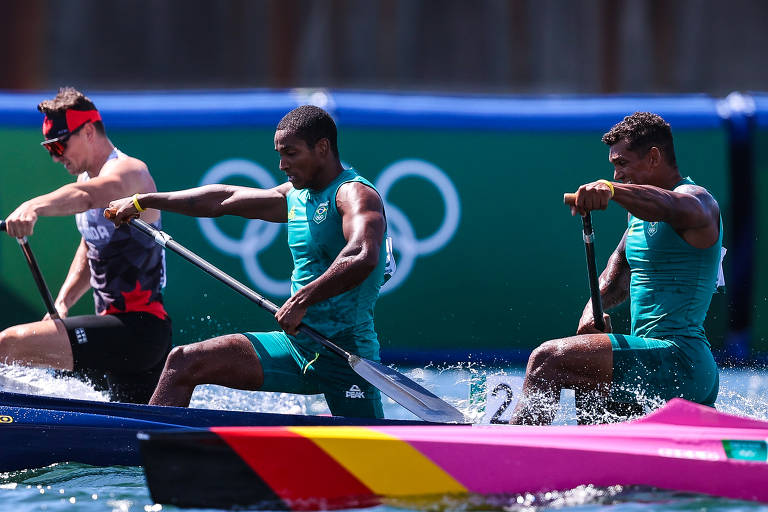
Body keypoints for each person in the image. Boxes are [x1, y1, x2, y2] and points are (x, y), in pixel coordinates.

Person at [106, 105, 392, 418]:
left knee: (376, 457)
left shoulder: (355, 194)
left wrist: (303, 300)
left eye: (291, 154)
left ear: (322, 147)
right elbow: (222, 199)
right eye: (279, 154)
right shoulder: (294, 196)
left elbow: (363, 254)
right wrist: (142, 201)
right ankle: (139, 449)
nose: (282, 165)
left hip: (345, 353)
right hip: (296, 346)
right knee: (183, 361)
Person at [510, 112, 723, 425]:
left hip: (681, 360)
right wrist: (589, 314)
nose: (617, 174)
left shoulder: (697, 201)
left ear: (653, 157)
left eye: (622, 164)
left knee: (547, 360)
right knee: (588, 383)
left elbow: (668, 206)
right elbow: (614, 279)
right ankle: (603, 472)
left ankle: (515, 462)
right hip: (652, 363)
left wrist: (610, 190)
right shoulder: (637, 217)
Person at [0, 87, 172, 403]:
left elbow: (87, 197)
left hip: (138, 329)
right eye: (49, 148)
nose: (55, 156)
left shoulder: (129, 171)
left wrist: (33, 206)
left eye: (60, 144)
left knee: (6, 345)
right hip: (119, 334)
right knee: (128, 443)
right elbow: (90, 246)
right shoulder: (86, 178)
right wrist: (62, 304)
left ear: (89, 131)